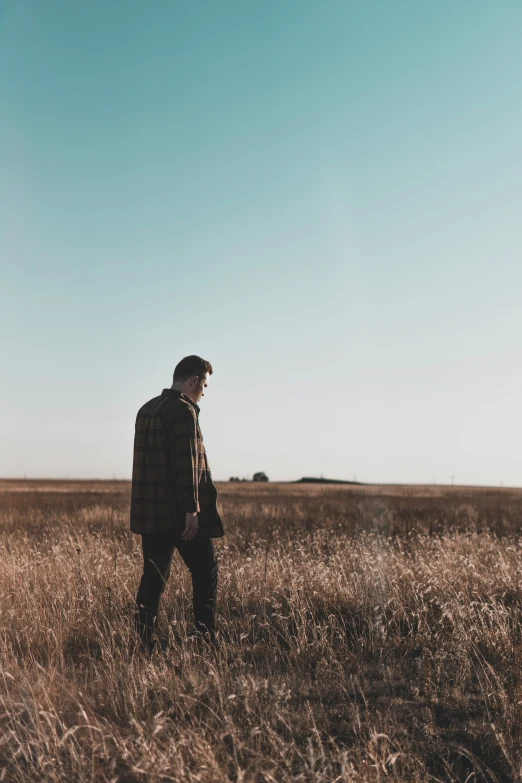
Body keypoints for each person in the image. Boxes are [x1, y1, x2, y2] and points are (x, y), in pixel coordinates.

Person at [130, 355, 225, 653]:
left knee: (154, 576)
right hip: (179, 514)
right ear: (193, 380)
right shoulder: (184, 411)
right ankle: (206, 637)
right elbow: (187, 465)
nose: (204, 392)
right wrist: (192, 511)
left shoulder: (146, 409)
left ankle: (143, 642)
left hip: (151, 512)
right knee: (206, 568)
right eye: (205, 385)